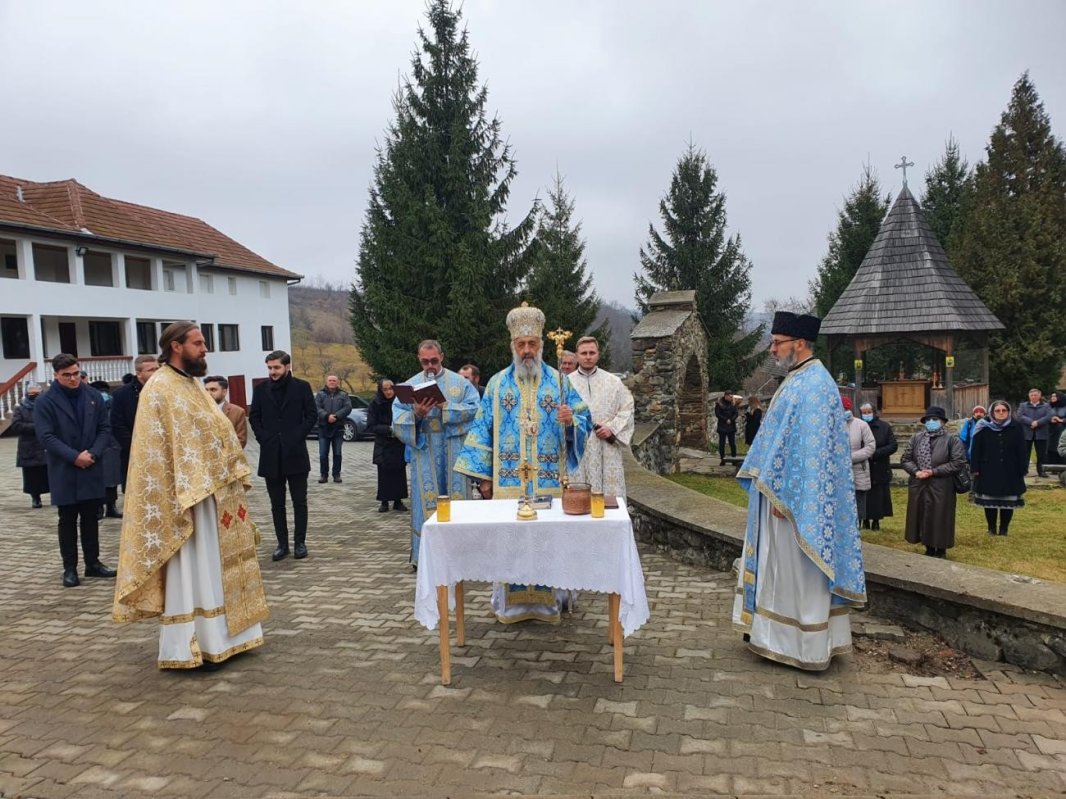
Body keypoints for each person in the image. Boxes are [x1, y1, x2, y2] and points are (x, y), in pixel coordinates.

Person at [113, 322, 267, 669]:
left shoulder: (191, 385)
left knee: (214, 568)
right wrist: (190, 487)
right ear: (176, 346)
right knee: (194, 569)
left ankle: (229, 637)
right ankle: (194, 644)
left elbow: (214, 434)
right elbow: (158, 454)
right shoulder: (161, 388)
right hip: (187, 499)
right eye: (198, 343)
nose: (204, 349)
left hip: (215, 495)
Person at [732, 312, 866, 670]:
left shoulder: (815, 385)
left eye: (778, 343)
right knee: (778, 573)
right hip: (779, 494)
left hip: (795, 502)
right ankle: (772, 636)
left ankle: (799, 645)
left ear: (800, 343)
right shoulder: (797, 379)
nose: (772, 349)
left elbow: (814, 453)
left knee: (793, 575)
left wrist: (788, 496)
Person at [455, 302, 594, 624]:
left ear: (541, 346)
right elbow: (481, 430)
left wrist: (571, 419)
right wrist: (484, 479)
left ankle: (552, 602)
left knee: (548, 544)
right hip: (508, 484)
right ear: (513, 346)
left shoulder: (559, 382)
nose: (528, 350)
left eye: (533, 344)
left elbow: (585, 419)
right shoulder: (496, 384)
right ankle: (511, 605)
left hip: (548, 483)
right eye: (522, 345)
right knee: (510, 544)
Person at [393, 340, 481, 567]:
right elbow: (397, 421)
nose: (430, 365)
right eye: (425, 362)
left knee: (458, 502)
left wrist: (445, 406)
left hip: (454, 450)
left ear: (441, 356)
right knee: (426, 502)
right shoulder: (410, 385)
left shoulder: (460, 384)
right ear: (419, 359)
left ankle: (463, 557)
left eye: (434, 360)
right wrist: (418, 415)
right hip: (425, 452)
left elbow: (475, 410)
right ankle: (426, 557)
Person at [33, 354, 117, 587]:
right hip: (65, 467)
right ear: (56, 375)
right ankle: (69, 568)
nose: (73, 379)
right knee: (67, 518)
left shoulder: (93, 396)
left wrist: (93, 453)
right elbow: (46, 436)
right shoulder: (45, 401)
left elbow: (104, 428)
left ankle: (93, 563)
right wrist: (73, 456)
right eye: (66, 375)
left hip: (91, 464)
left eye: (76, 373)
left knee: (91, 516)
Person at [249, 350, 317, 561]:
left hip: (295, 453)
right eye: (270, 368)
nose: (272, 371)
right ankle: (282, 544)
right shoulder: (260, 390)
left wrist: (297, 435)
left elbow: (311, 415)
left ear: (287, 366)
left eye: (276, 367)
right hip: (271, 455)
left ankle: (300, 543)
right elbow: (254, 417)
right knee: (276, 504)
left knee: (299, 501)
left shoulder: (302, 387)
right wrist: (263, 438)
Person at [568, 335, 634, 500]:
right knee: (578, 501)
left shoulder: (614, 382)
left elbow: (628, 409)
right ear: (577, 356)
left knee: (610, 501)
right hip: (577, 449)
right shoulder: (565, 384)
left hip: (606, 448)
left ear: (598, 354)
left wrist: (611, 428)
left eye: (592, 352)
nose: (588, 357)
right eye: (584, 353)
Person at [901, 405, 968, 558]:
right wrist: (916, 471)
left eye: (935, 419)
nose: (931, 422)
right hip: (919, 484)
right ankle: (928, 546)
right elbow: (906, 459)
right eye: (928, 419)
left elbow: (958, 462)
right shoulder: (916, 438)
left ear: (943, 421)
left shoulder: (952, 440)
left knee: (941, 516)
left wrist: (934, 471)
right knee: (922, 514)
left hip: (942, 485)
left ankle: (941, 548)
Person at [970, 400, 1028, 536]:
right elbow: (976, 449)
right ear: (992, 412)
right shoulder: (983, 426)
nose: (1001, 413)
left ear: (1008, 412)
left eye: (1004, 410)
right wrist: (975, 468)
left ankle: (1004, 529)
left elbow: (1022, 449)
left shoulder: (1016, 426)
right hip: (988, 469)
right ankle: (991, 528)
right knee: (990, 500)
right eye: (998, 410)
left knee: (1008, 500)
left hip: (1011, 469)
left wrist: (1022, 468)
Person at [110, 354, 161, 488]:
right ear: (139, 373)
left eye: (157, 369)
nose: (156, 373)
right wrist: (138, 447)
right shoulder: (121, 395)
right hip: (134, 454)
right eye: (151, 370)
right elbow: (117, 425)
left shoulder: (165, 391)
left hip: (162, 453)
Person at [366, 379, 408, 512]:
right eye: (385, 389)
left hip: (398, 442)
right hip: (383, 443)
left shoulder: (400, 402)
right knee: (384, 473)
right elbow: (371, 425)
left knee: (399, 472)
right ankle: (384, 501)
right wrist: (389, 429)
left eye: (391, 388)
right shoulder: (375, 403)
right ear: (380, 390)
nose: (389, 392)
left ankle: (398, 501)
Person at [11, 383, 49, 508]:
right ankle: (35, 498)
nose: (34, 397)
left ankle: (56, 496)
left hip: (45, 444)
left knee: (49, 472)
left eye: (37, 394)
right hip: (28, 446)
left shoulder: (47, 406)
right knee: (32, 475)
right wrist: (35, 427)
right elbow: (16, 425)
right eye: (31, 394)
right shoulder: (20, 408)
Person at [859, 402, 897, 531]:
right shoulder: (859, 426)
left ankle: (876, 521)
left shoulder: (884, 427)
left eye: (869, 412)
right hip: (862, 466)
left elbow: (893, 445)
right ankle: (863, 520)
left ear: (874, 412)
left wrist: (875, 453)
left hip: (879, 465)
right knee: (864, 494)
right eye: (864, 413)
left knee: (878, 496)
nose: (866, 415)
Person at [89, 380, 123, 520]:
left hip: (107, 444)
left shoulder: (107, 403)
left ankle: (106, 507)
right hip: (106, 445)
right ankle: (108, 507)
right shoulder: (97, 403)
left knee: (109, 479)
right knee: (108, 479)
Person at [314, 375, 352, 484]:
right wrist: (326, 416)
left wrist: (336, 416)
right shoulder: (320, 395)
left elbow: (348, 407)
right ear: (326, 382)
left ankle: (336, 474)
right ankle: (323, 475)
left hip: (338, 428)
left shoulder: (344, 395)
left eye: (334, 380)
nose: (332, 382)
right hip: (323, 427)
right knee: (323, 454)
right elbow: (316, 408)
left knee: (337, 453)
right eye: (330, 380)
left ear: (337, 382)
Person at [844, 397, 875, 525]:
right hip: (838, 473)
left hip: (858, 470)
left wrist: (850, 458)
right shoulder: (830, 425)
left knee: (857, 508)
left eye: (845, 409)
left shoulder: (861, 425)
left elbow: (870, 446)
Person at [203, 375, 248, 448]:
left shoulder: (237, 412)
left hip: (229, 456)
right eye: (206, 390)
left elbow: (241, 440)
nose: (209, 393)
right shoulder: (200, 411)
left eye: (213, 390)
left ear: (224, 392)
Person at [1017, 388, 1053, 477]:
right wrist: (1031, 422)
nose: (1033, 397)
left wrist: (1038, 423)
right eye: (1031, 395)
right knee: (1025, 453)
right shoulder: (1023, 405)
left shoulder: (1046, 406)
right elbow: (1020, 416)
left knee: (1041, 453)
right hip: (1026, 433)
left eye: (1035, 395)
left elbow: (1049, 416)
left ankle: (1041, 471)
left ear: (1039, 396)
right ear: (1029, 396)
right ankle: (1023, 470)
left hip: (1041, 433)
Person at [714, 391, 738, 464]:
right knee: (722, 443)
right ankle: (722, 459)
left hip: (731, 426)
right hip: (722, 426)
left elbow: (736, 413)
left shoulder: (733, 403)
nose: (731, 398)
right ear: (726, 396)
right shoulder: (719, 403)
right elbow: (718, 414)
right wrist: (725, 419)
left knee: (732, 443)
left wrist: (731, 419)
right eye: (730, 396)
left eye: (732, 397)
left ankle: (734, 459)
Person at [1047, 391, 1065, 466]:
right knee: (1051, 447)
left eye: (1055, 396)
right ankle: (1051, 465)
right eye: (1052, 396)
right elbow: (1044, 416)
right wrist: (1050, 419)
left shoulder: (1064, 407)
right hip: (1051, 430)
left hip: (1062, 430)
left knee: (1061, 446)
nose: (1053, 398)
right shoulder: (1048, 406)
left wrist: (1061, 420)